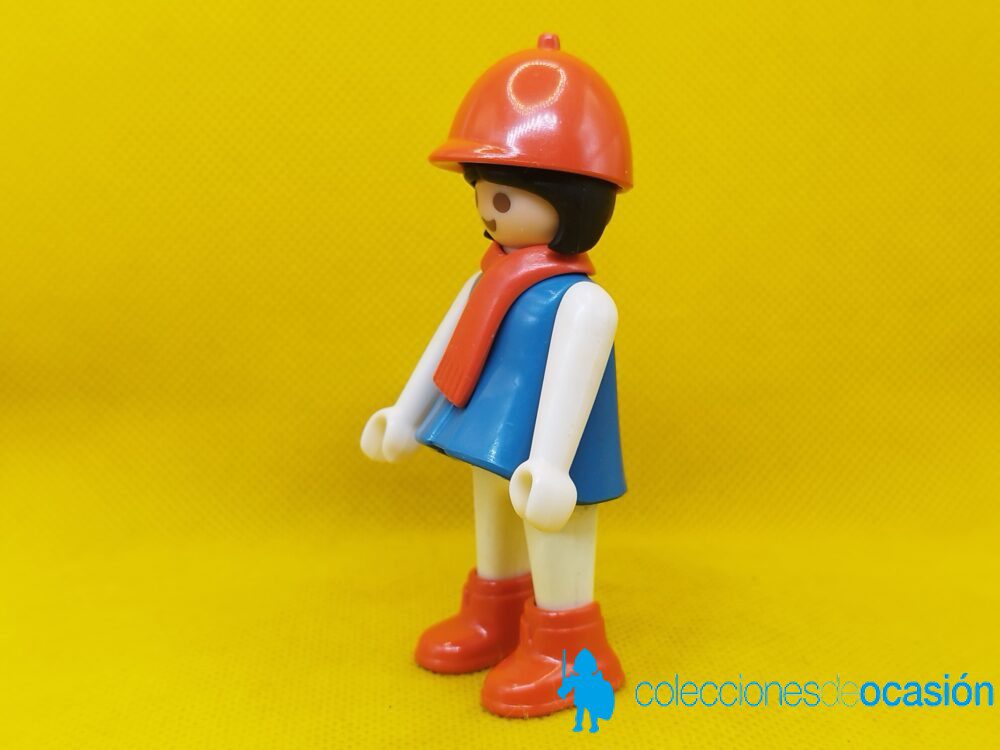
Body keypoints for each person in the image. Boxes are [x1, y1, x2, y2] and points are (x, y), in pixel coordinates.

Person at [361, 33, 632, 718]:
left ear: (570, 198)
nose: (486, 211)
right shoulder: (489, 280)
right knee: (491, 506)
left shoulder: (581, 302)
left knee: (555, 533)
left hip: (553, 455)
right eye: (482, 195)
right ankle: (497, 611)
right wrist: (404, 413)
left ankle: (571, 650)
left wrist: (553, 465)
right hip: (488, 431)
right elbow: (445, 345)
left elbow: (573, 381)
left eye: (504, 199)